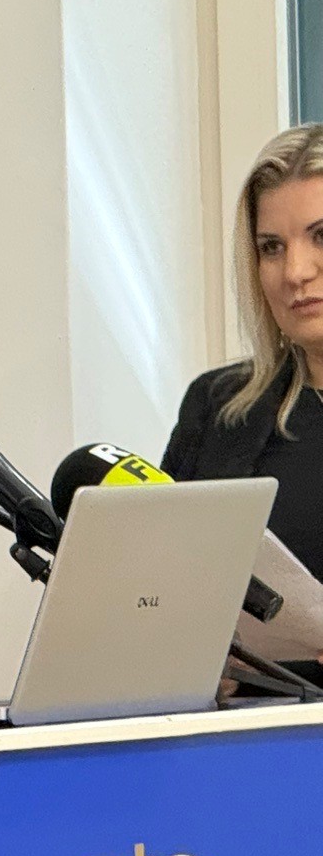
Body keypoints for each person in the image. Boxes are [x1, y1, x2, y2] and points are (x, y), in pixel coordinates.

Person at [164, 123, 323, 686]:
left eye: (321, 236)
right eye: (271, 247)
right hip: (249, 732)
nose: (295, 272)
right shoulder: (218, 408)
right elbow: (161, 602)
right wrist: (194, 661)